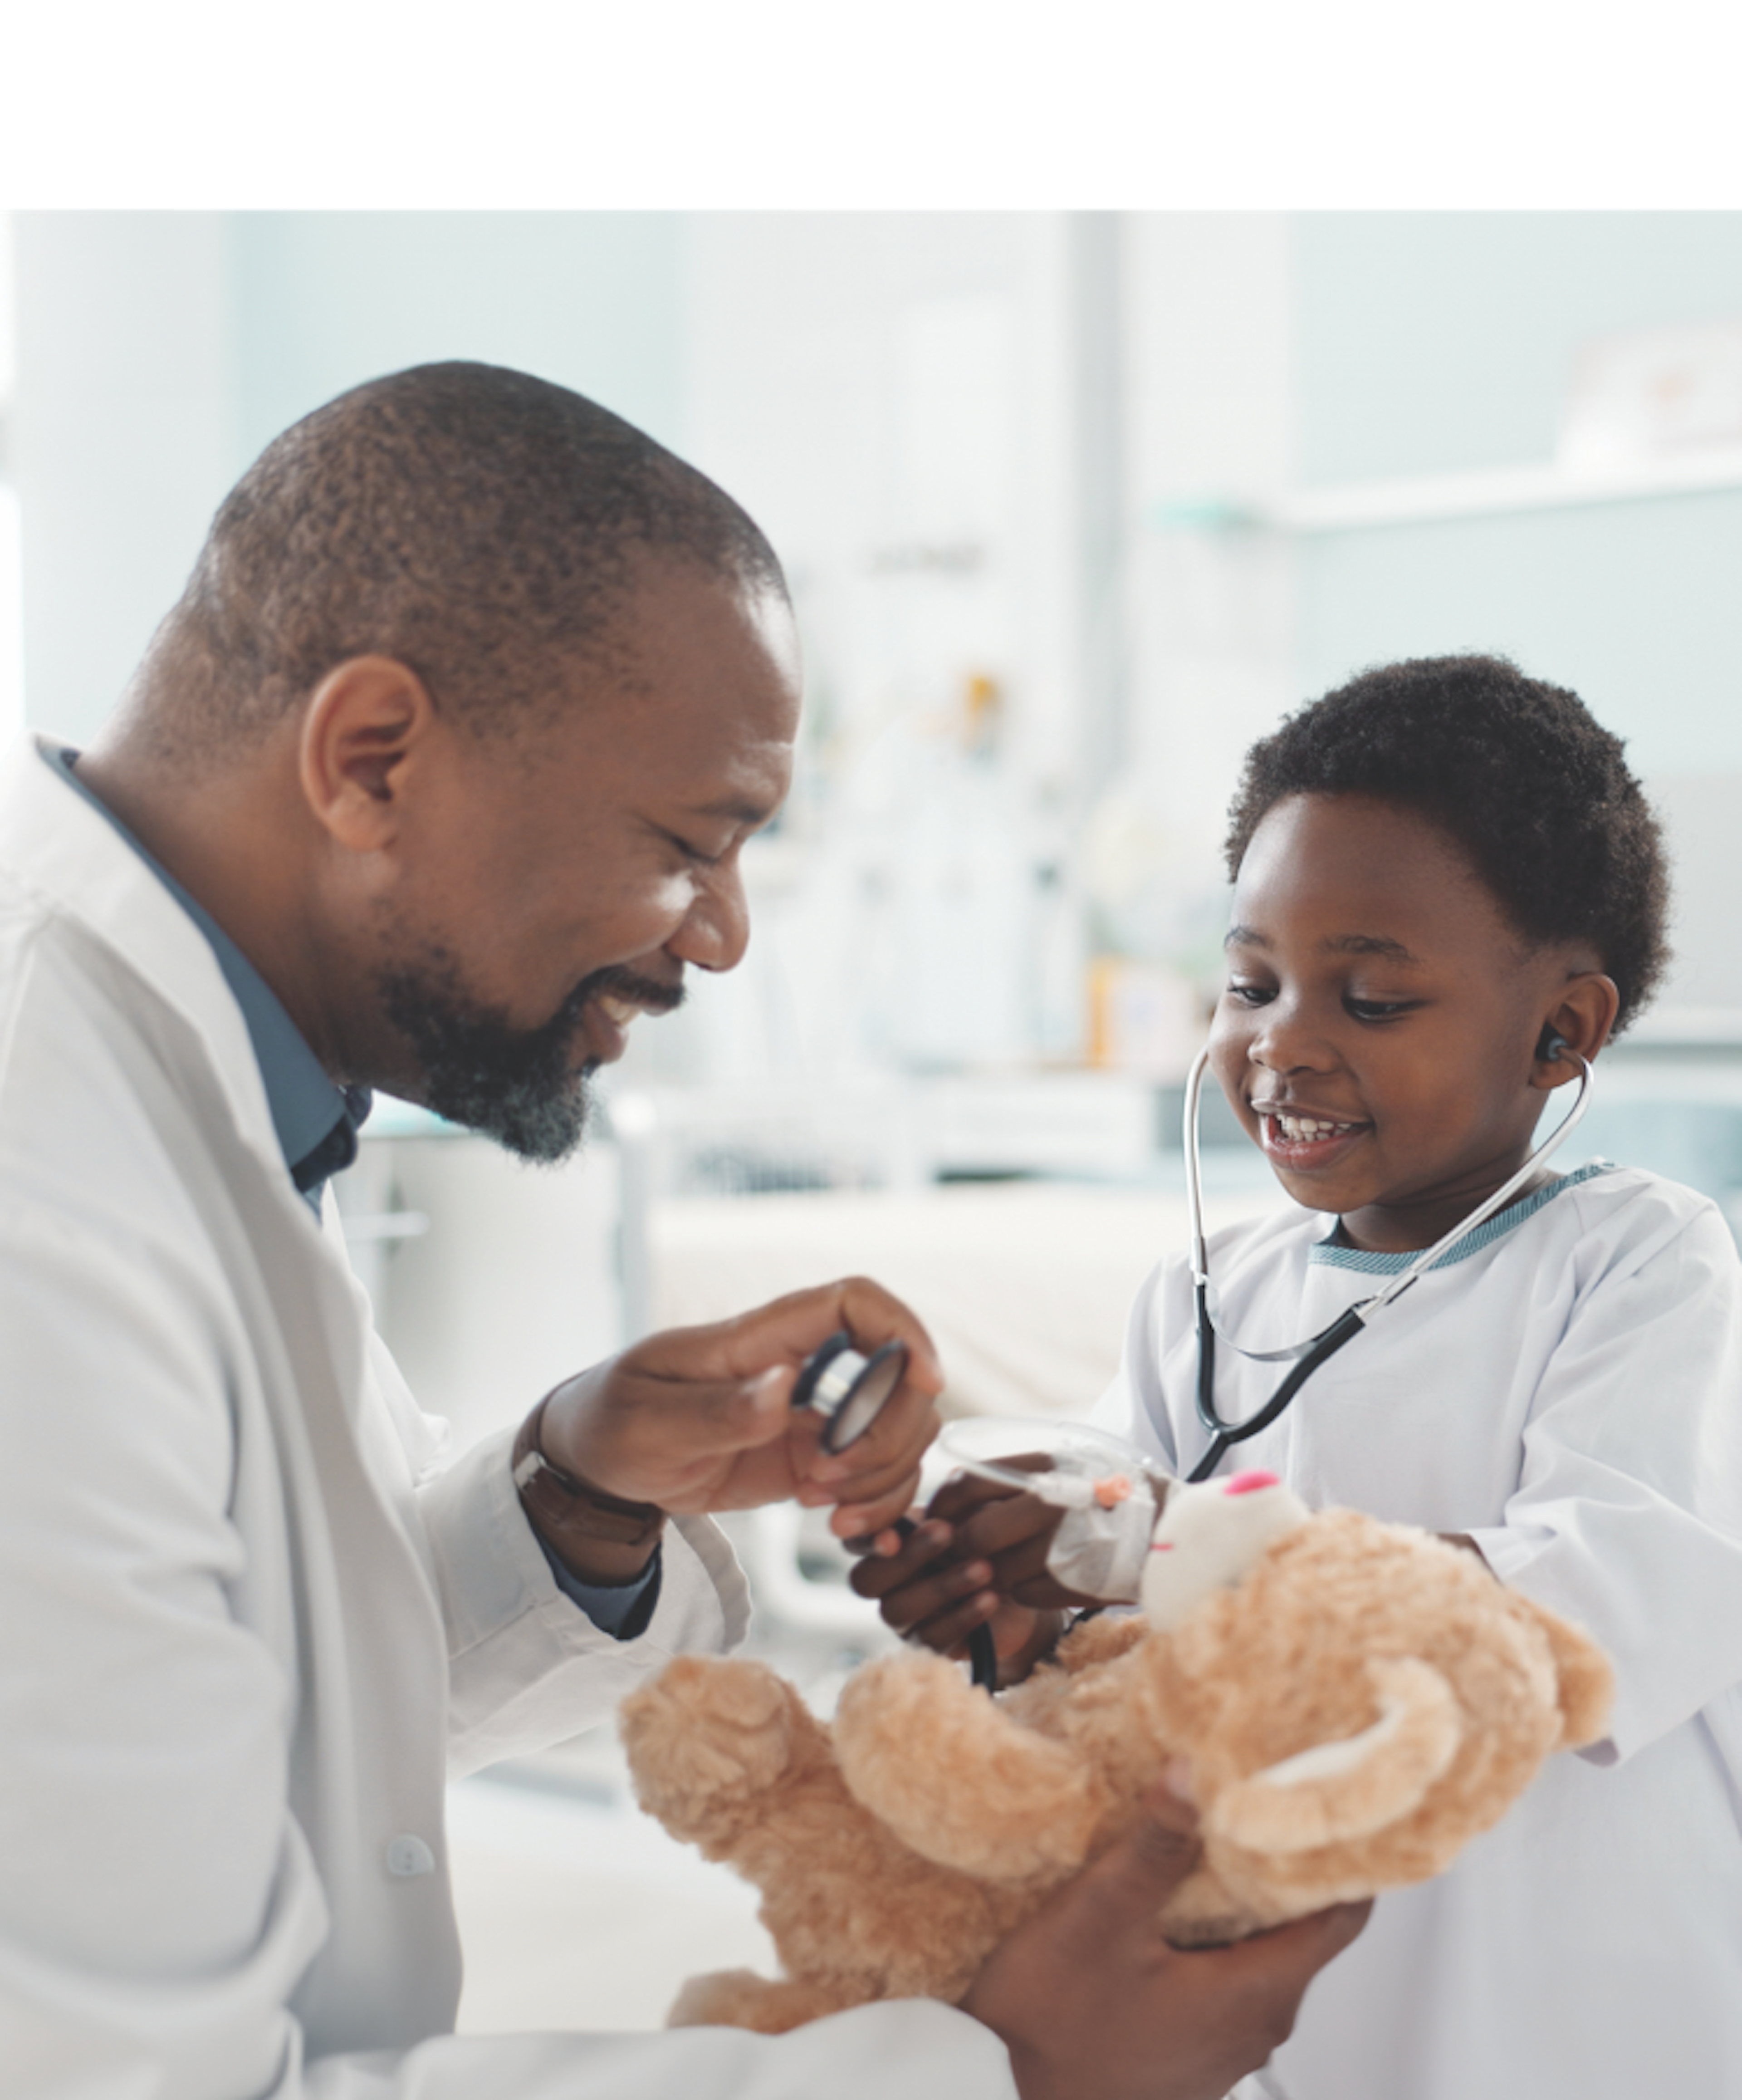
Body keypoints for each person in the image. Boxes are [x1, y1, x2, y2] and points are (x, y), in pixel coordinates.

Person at [0, 362, 1365, 2100]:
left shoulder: (185, 1084)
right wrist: (991, 2069)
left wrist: (571, 1490)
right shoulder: (43, 1196)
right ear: (371, 759)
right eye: (687, 842)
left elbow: (221, 1696)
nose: (719, 938)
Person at [859, 656, 1742, 2100]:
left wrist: (1162, 1550)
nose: (1282, 1040)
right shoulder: (1209, 1300)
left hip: (1575, 2015)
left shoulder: (1638, 1265)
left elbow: (1599, 1615)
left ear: (1561, 1030)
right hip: (1288, 2016)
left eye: (1374, 996)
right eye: (1250, 980)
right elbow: (1097, 1587)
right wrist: (1005, 1592)